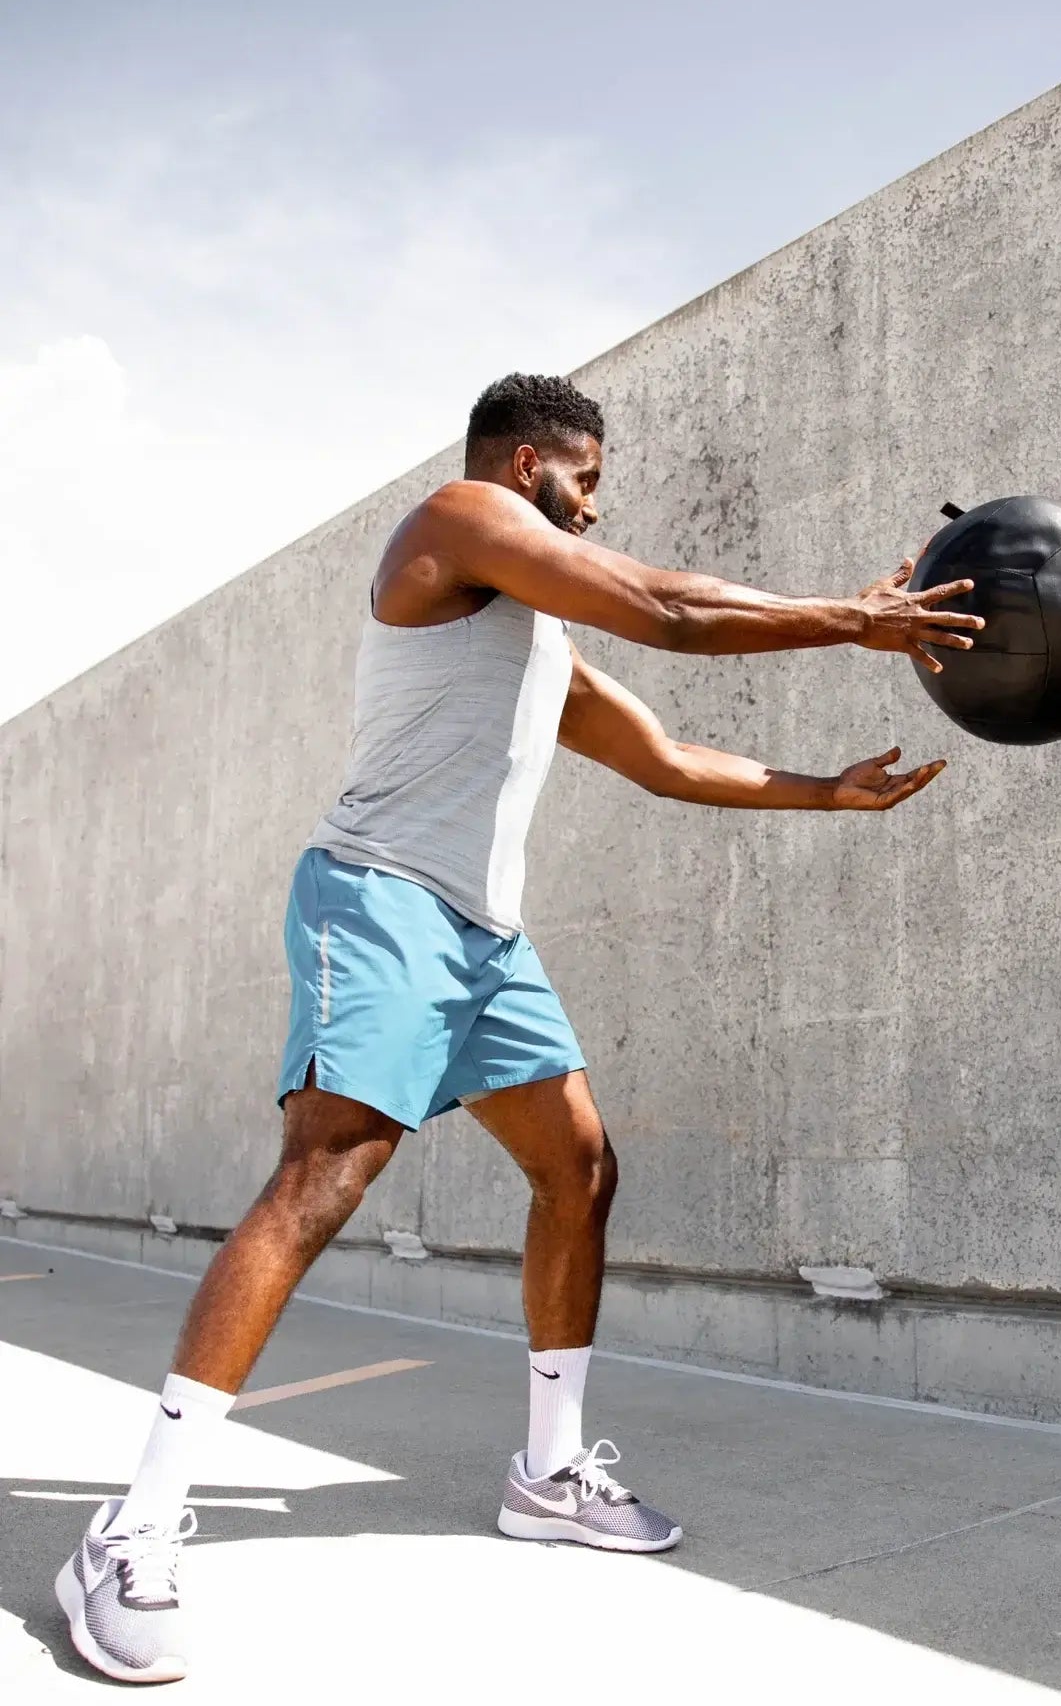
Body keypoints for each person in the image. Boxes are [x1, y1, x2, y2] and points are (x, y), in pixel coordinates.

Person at [55, 373, 982, 1683]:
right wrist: (858, 618)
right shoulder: (459, 517)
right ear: (530, 459)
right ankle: (133, 1522)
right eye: (588, 477)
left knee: (579, 1166)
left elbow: (661, 754)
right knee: (328, 1173)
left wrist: (823, 794)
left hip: (485, 941)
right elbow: (664, 606)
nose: (599, 500)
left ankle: (548, 1470)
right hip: (377, 900)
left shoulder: (539, 633)